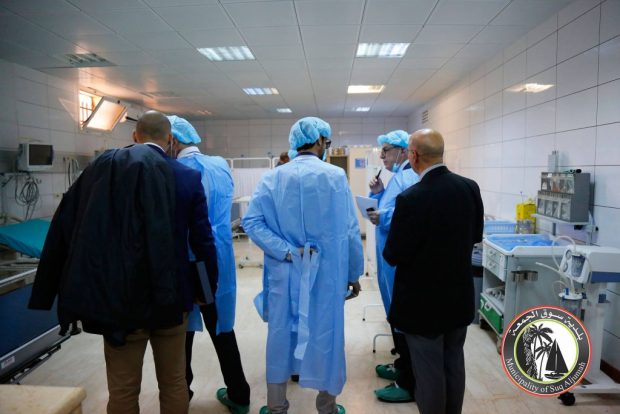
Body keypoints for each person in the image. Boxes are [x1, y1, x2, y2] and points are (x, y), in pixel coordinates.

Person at [29, 110, 219, 414]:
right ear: (170, 140)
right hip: (172, 296)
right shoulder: (186, 178)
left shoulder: (101, 174)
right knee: (174, 381)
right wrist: (206, 288)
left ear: (134, 136)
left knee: (123, 387)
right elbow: (203, 241)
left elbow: (67, 227)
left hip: (120, 300)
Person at [242, 117, 364, 414]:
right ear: (319, 140)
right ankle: (327, 407)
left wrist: (287, 252)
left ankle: (276, 407)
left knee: (281, 336)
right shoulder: (335, 177)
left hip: (285, 274)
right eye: (327, 142)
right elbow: (350, 230)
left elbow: (252, 222)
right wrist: (353, 273)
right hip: (327, 274)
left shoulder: (273, 178)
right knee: (327, 334)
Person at [383, 129, 484, 414]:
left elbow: (393, 254)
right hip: (458, 296)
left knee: (428, 373)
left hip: (422, 305)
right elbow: (475, 235)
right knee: (454, 363)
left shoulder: (411, 198)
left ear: (413, 156)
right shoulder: (469, 187)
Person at [167, 115, 250, 414]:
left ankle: (181, 395)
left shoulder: (175, 171)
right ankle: (239, 394)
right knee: (222, 326)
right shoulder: (219, 165)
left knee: (181, 333)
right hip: (219, 257)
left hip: (188, 258)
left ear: (173, 140)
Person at [367, 130, 419, 403]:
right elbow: (392, 206)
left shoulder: (409, 177)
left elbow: (405, 213)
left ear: (403, 151)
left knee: (402, 316)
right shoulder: (399, 178)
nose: (382, 155)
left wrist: (382, 215)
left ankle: (408, 380)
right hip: (389, 257)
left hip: (398, 261)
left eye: (386, 150)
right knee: (395, 313)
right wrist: (378, 194)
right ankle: (402, 364)